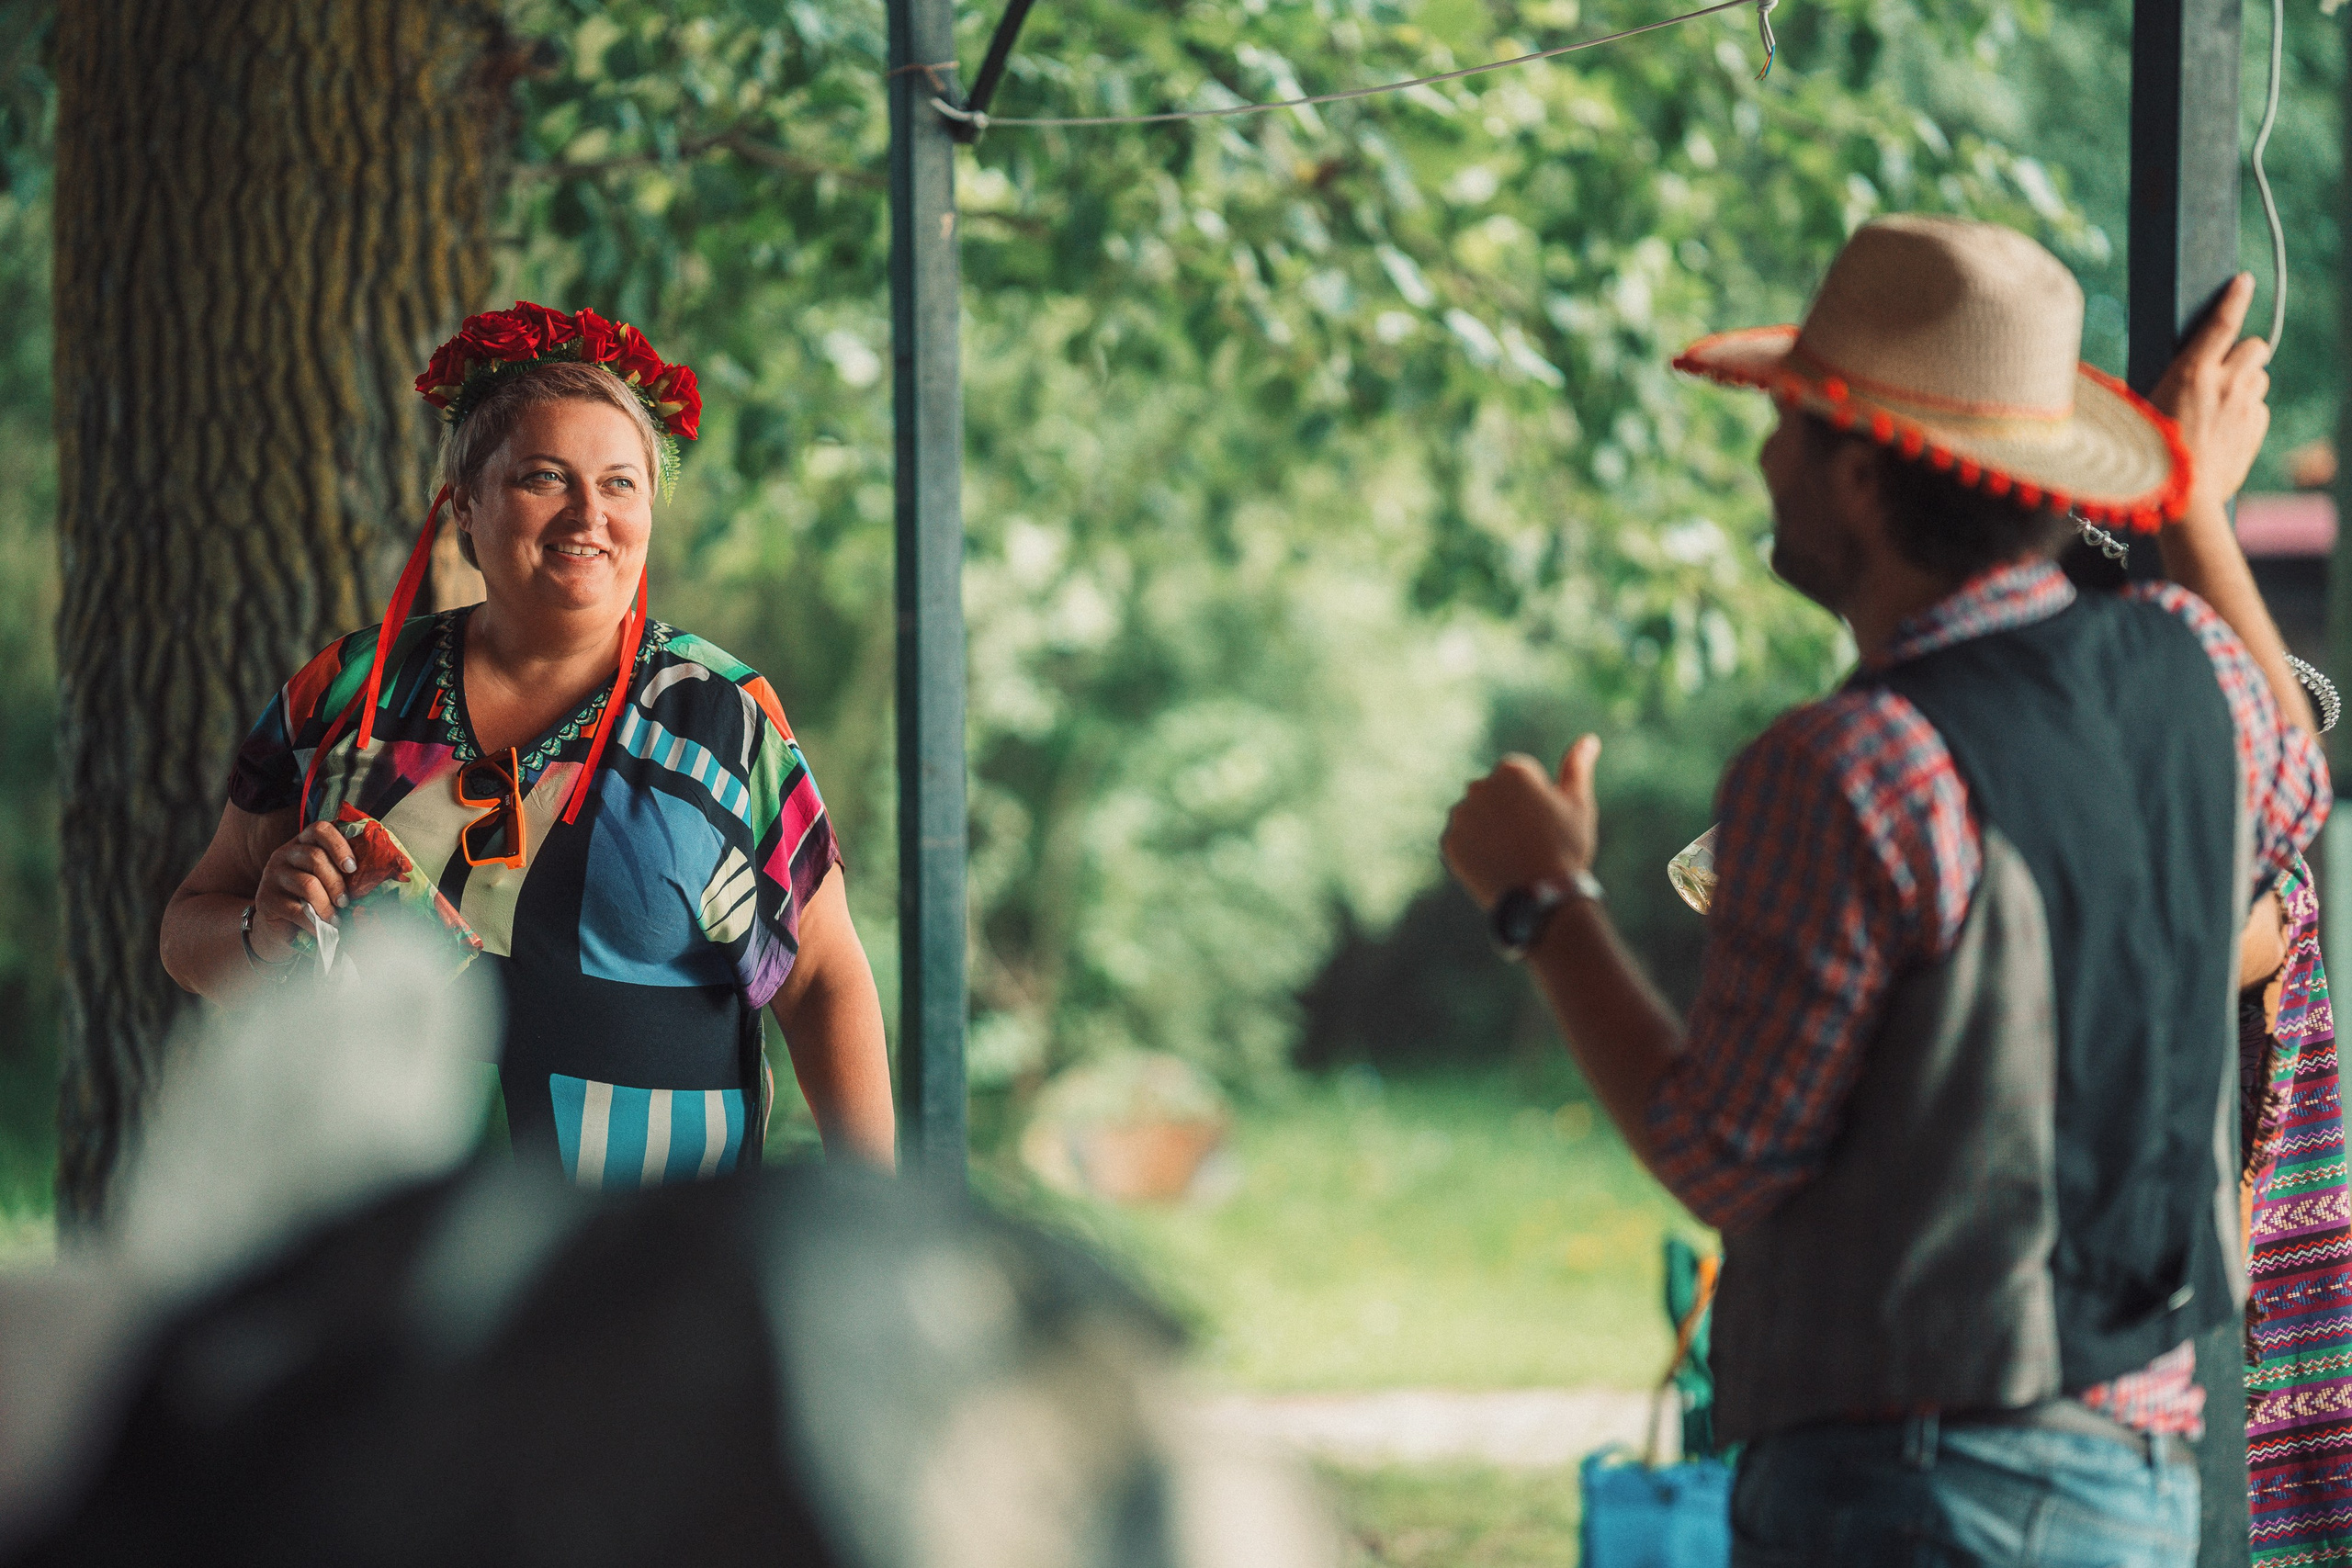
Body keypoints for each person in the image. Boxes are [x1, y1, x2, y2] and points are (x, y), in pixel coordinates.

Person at [1441, 219, 2328, 1563]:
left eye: (1786, 426)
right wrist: (2191, 503)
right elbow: (2296, 774)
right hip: (2136, 1482)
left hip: (1910, 1495)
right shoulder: (2190, 671)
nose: (1764, 460)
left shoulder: (1850, 764)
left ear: (1856, 474)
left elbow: (1719, 1152)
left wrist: (1544, 901)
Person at [161, 304, 895, 1179]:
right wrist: (261, 931)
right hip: (379, 1231)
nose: (589, 514)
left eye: (620, 483)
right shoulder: (350, 693)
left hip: (656, 1246)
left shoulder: (722, 720)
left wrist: (876, 1210)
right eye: (546, 477)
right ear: (464, 505)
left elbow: (822, 979)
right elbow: (188, 930)